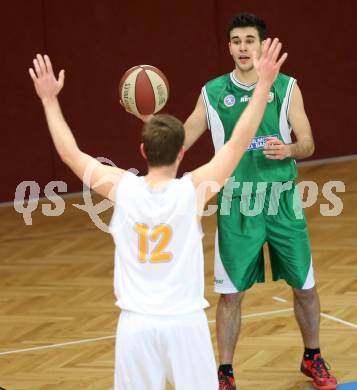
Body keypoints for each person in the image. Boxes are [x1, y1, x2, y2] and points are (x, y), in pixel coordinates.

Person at [29, 38, 286, 390]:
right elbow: (239, 140)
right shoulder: (193, 191)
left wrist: (48, 99)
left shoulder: (123, 189)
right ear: (183, 153)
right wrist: (265, 85)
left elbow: (71, 154)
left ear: (141, 150)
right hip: (185, 324)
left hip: (137, 327)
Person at [183, 12, 337, 390]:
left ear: (263, 45)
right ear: (229, 47)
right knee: (231, 294)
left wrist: (288, 149)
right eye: (236, 41)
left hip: (282, 201)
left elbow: (308, 144)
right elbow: (185, 133)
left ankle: (312, 356)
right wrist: (161, 146)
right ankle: (225, 373)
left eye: (249, 40)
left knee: (305, 286)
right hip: (238, 204)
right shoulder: (213, 92)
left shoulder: (287, 88)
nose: (242, 47)